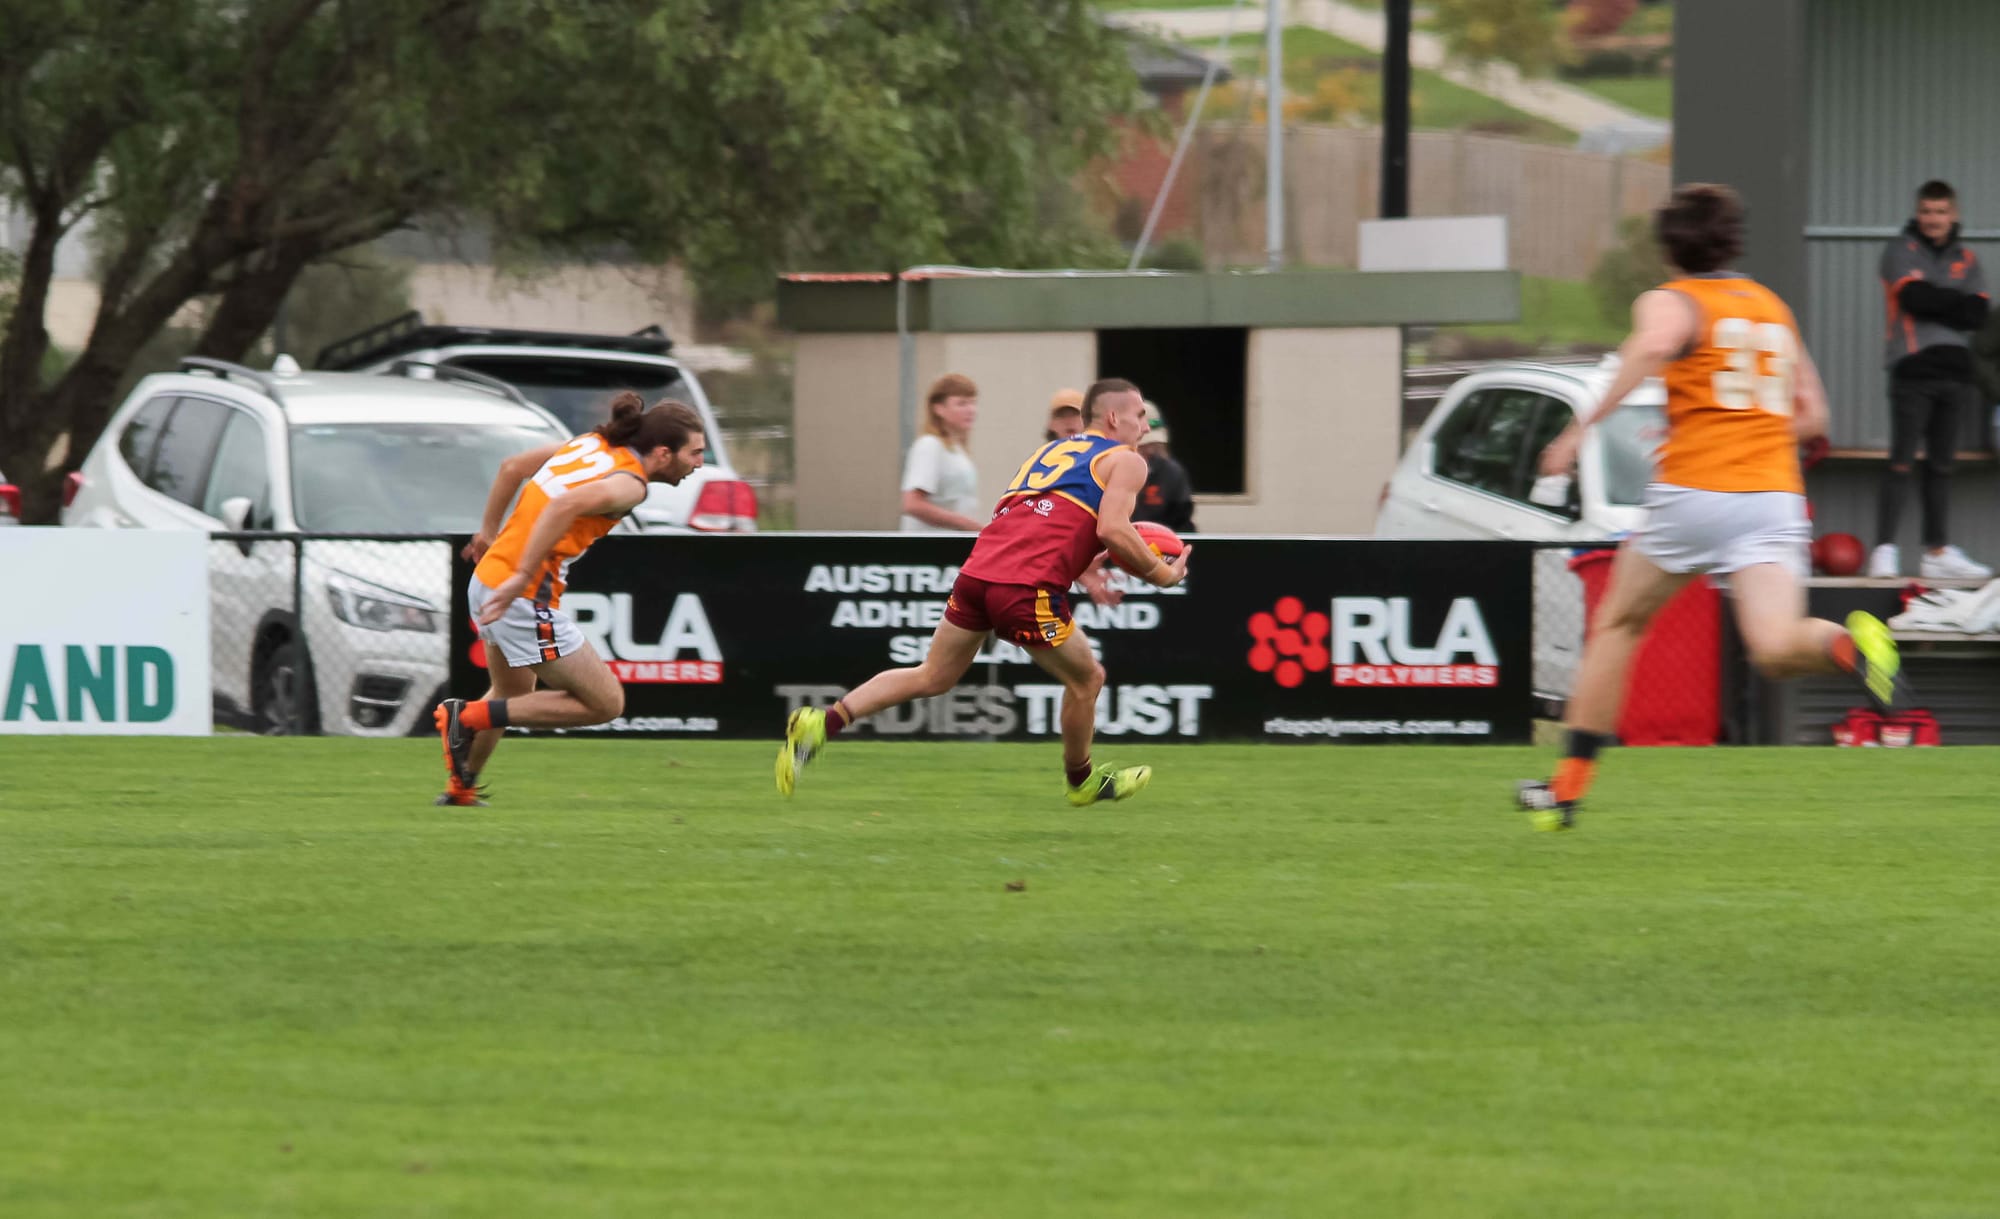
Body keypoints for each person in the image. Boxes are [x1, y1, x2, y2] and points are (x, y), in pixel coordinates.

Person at [1519, 183, 1908, 831]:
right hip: (1773, 496)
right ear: (1733, 241)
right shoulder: (1770, 308)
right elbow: (1815, 416)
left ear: (1669, 249)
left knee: (1619, 624)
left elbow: (1650, 346)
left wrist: (1580, 427)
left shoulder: (1673, 300)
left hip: (1698, 491)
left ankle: (1565, 791)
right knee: (1777, 646)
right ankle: (1851, 644)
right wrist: (1739, 428)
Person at [777, 377, 1192, 805]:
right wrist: (1161, 575)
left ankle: (823, 722)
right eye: (1140, 416)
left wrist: (1083, 568)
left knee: (933, 675)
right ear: (1112, 417)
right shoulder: (1127, 460)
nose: (1145, 427)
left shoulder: (1049, 452)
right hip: (1026, 586)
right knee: (1088, 679)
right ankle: (1081, 781)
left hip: (978, 573)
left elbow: (1039, 521)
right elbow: (1113, 528)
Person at [432, 392, 707, 806]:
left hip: (488, 582)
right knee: (605, 702)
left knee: (511, 693)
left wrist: (487, 532)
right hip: (520, 595)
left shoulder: (589, 443)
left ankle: (461, 788)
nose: (699, 464)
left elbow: (513, 468)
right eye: (696, 453)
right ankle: (465, 717)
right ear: (664, 453)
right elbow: (567, 503)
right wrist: (523, 573)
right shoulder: (630, 484)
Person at [1868, 180, 1992, 580]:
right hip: (1912, 368)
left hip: (1956, 374)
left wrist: (1939, 298)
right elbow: (1913, 299)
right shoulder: (1900, 249)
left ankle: (1936, 550)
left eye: (1940, 212)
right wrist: (1953, 301)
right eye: (1926, 211)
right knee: (1901, 461)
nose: (1933, 219)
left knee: (1941, 466)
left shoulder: (1967, 257)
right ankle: (1884, 550)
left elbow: (1977, 314)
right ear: (1917, 214)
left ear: (1953, 215)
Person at [900, 373, 982, 532]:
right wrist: (967, 524)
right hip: (930, 552)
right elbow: (912, 503)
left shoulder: (955, 449)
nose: (971, 410)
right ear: (939, 409)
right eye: (961, 403)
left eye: (973, 403)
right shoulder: (929, 445)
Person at [1133, 402, 1196, 534]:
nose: (1150, 451)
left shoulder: (1172, 473)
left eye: (1154, 444)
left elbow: (1183, 524)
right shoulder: (1106, 471)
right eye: (1143, 445)